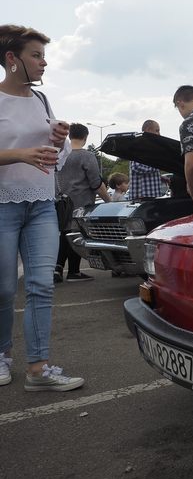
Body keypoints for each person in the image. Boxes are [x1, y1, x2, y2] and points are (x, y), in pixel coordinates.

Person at [0, 24, 84, 392]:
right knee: (3, 290)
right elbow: (25, 153)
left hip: (41, 204)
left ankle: (38, 369)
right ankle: (2, 356)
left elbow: (56, 159)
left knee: (41, 286)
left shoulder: (41, 100)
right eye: (36, 55)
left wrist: (60, 140)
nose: (43, 62)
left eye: (43, 56)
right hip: (3, 205)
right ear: (11, 59)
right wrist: (21, 154)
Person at [56, 123, 112, 282]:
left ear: (69, 136)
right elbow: (96, 183)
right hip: (80, 204)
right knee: (76, 235)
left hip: (60, 203)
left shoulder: (60, 155)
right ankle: (74, 271)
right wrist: (108, 201)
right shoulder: (87, 156)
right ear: (85, 137)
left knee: (63, 234)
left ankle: (57, 269)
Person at [129, 120, 165, 199]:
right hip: (143, 197)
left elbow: (146, 167)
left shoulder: (148, 146)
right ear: (148, 130)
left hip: (150, 195)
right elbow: (136, 167)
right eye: (157, 130)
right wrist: (159, 165)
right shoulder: (139, 145)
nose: (159, 134)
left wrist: (160, 177)